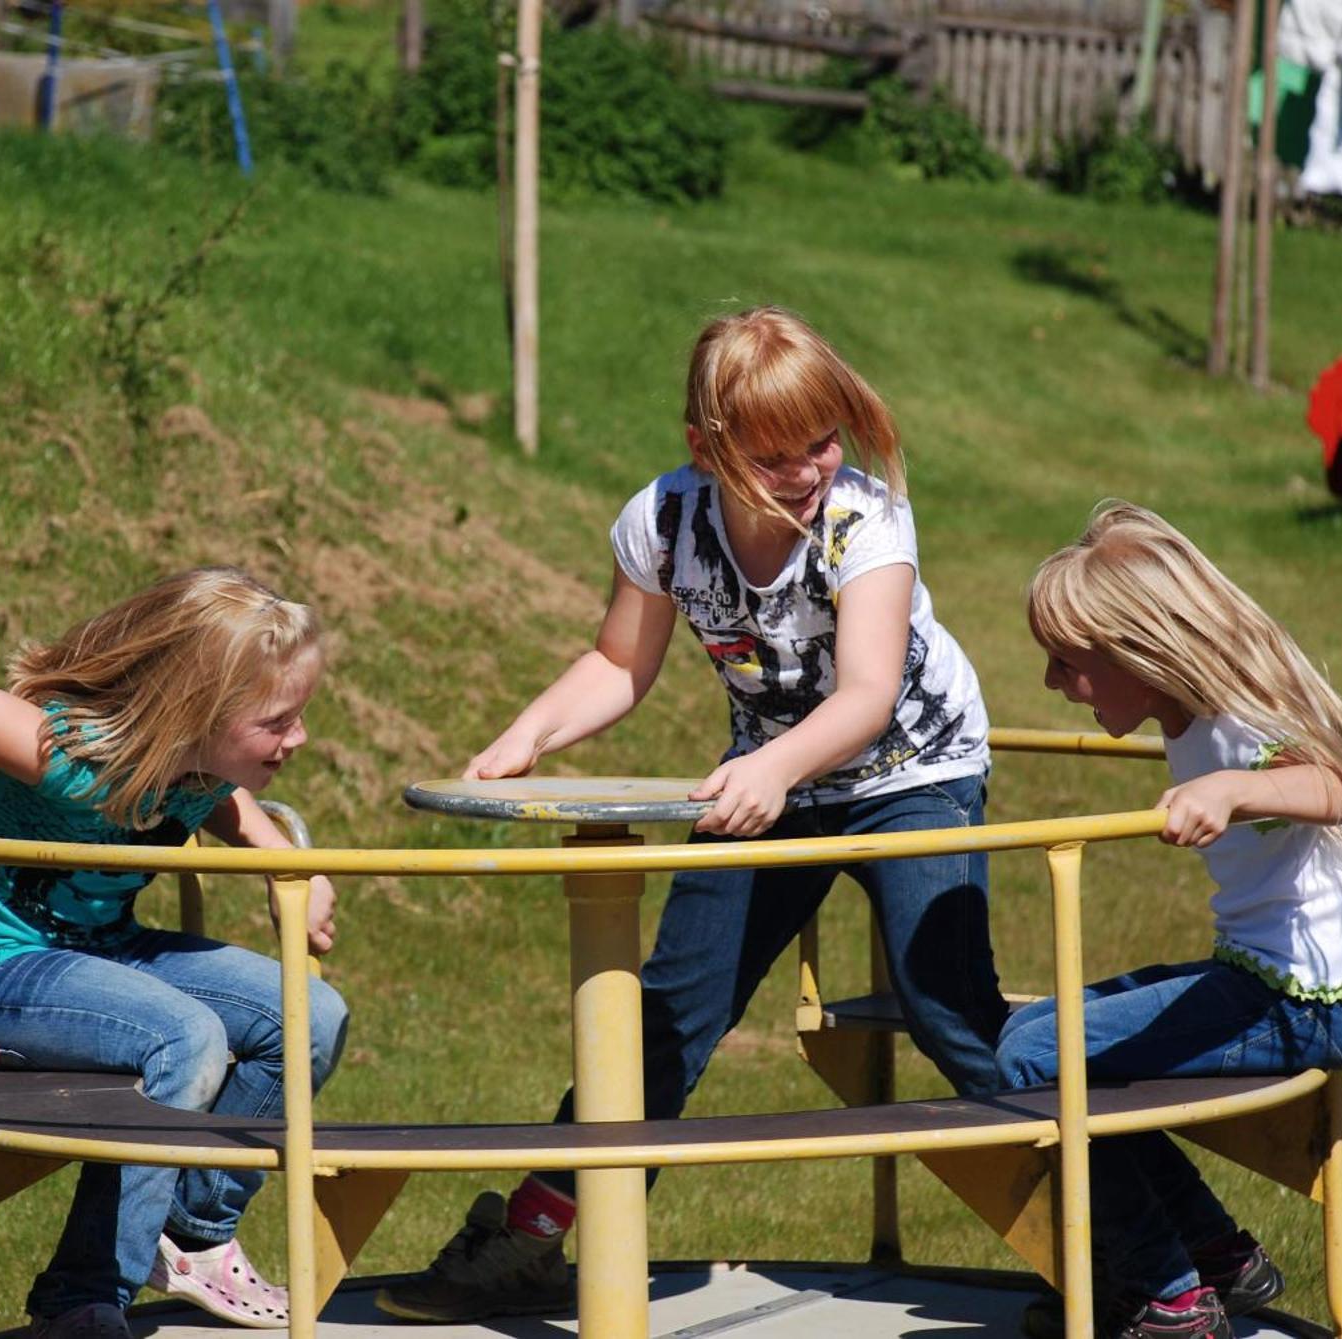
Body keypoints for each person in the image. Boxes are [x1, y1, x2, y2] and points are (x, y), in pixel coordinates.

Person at [376, 306, 1006, 1323]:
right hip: (768, 781)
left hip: (910, 775)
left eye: (822, 441)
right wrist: (527, 735)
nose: (807, 469)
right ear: (703, 448)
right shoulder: (663, 522)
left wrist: (775, 768)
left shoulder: (862, 520)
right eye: (774, 455)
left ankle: (1160, 1252)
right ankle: (528, 1243)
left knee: (950, 1010)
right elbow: (619, 662)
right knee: (661, 1014)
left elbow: (865, 695)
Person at [0, 567, 349, 1339]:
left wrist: (278, 857)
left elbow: (223, 798)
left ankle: (191, 1234)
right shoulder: (73, 752)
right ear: (198, 710)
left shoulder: (202, 759)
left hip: (103, 952)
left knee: (310, 1014)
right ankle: (82, 1300)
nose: (297, 737)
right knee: (185, 1038)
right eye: (277, 720)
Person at [1005, 502, 1342, 1339]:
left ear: (1137, 653)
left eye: (1066, 663)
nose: (1054, 682)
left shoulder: (1238, 722)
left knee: (1033, 1058)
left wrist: (1233, 789)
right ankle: (1214, 1253)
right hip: (1267, 980)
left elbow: (1335, 785)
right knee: (1043, 1035)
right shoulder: (1187, 716)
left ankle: (1168, 1293)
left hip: (1306, 1001)